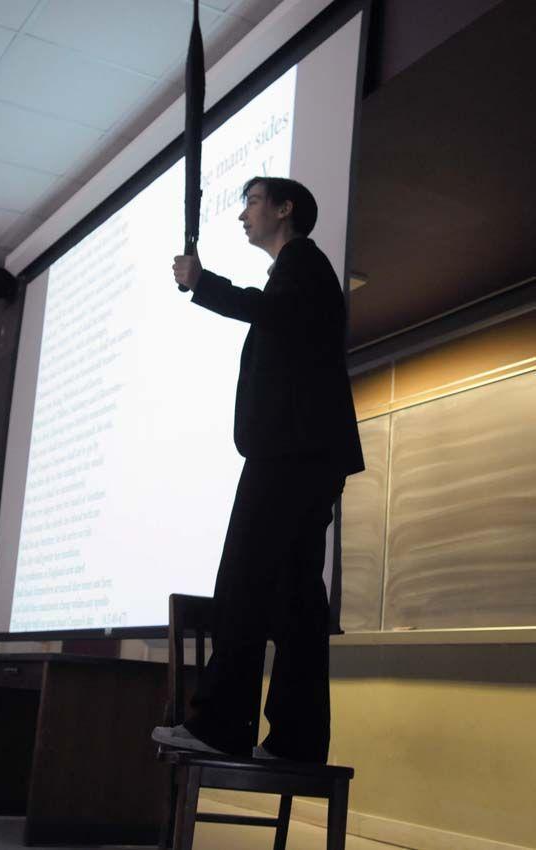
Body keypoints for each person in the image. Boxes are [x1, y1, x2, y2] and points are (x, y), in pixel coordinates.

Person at [152, 177, 364, 761]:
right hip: (304, 455)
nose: (244, 214)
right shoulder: (301, 270)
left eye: (252, 202)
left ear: (284, 208)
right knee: (295, 598)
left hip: (290, 456)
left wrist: (204, 284)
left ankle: (221, 725)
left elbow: (269, 312)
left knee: (245, 581)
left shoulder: (303, 266)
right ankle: (296, 739)